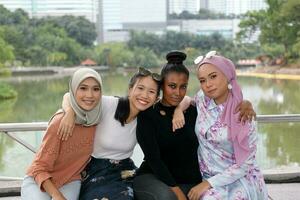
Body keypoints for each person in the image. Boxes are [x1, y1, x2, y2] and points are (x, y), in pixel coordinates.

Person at [133, 51, 256, 200]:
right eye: (171, 86)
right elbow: (154, 160)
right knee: (167, 198)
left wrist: (245, 103)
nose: (177, 93)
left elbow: (223, 104)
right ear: (162, 86)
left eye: (183, 87)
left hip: (192, 180)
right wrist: (178, 194)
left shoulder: (195, 110)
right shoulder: (148, 115)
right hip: (155, 177)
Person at [58, 67, 161, 200]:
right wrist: (70, 113)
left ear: (156, 98)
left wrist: (178, 111)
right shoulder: (109, 104)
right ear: (130, 90)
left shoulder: (146, 120)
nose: (145, 95)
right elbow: (68, 96)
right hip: (95, 170)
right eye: (140, 88)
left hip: (125, 171)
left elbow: (184, 100)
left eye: (151, 92)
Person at [177, 51, 268, 200]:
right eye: (202, 80)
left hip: (238, 178)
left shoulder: (243, 114)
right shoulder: (202, 99)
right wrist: (178, 110)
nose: (208, 84)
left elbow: (245, 165)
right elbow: (188, 99)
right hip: (207, 174)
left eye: (213, 76)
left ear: (227, 75)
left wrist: (207, 184)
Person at [21, 67, 103, 200]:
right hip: (39, 181)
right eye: (83, 88)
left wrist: (70, 110)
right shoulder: (61, 122)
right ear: (74, 89)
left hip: (71, 180)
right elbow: (39, 168)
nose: (90, 95)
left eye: (96, 89)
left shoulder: (99, 117)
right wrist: (56, 195)